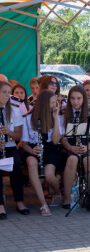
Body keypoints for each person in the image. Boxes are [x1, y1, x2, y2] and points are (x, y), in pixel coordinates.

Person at [21, 90, 63, 216]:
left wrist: (55, 119)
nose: (54, 106)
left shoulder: (55, 116)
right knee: (31, 162)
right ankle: (43, 204)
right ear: (44, 103)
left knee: (49, 175)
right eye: (52, 103)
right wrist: (32, 150)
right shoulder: (28, 118)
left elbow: (56, 141)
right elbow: (24, 144)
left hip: (50, 148)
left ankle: (57, 192)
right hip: (34, 148)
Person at [60, 85, 90, 209]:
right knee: (72, 159)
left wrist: (87, 148)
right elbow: (63, 138)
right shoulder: (63, 113)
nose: (75, 102)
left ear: (84, 99)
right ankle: (67, 197)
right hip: (71, 146)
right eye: (72, 98)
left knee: (89, 160)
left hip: (87, 145)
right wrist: (71, 148)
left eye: (78, 98)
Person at [0, 81, 30, 219]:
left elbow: (18, 135)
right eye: (3, 92)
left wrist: (9, 133)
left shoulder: (14, 109)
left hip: (10, 146)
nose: (6, 95)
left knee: (16, 165)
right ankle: (0, 206)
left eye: (8, 92)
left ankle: (19, 202)